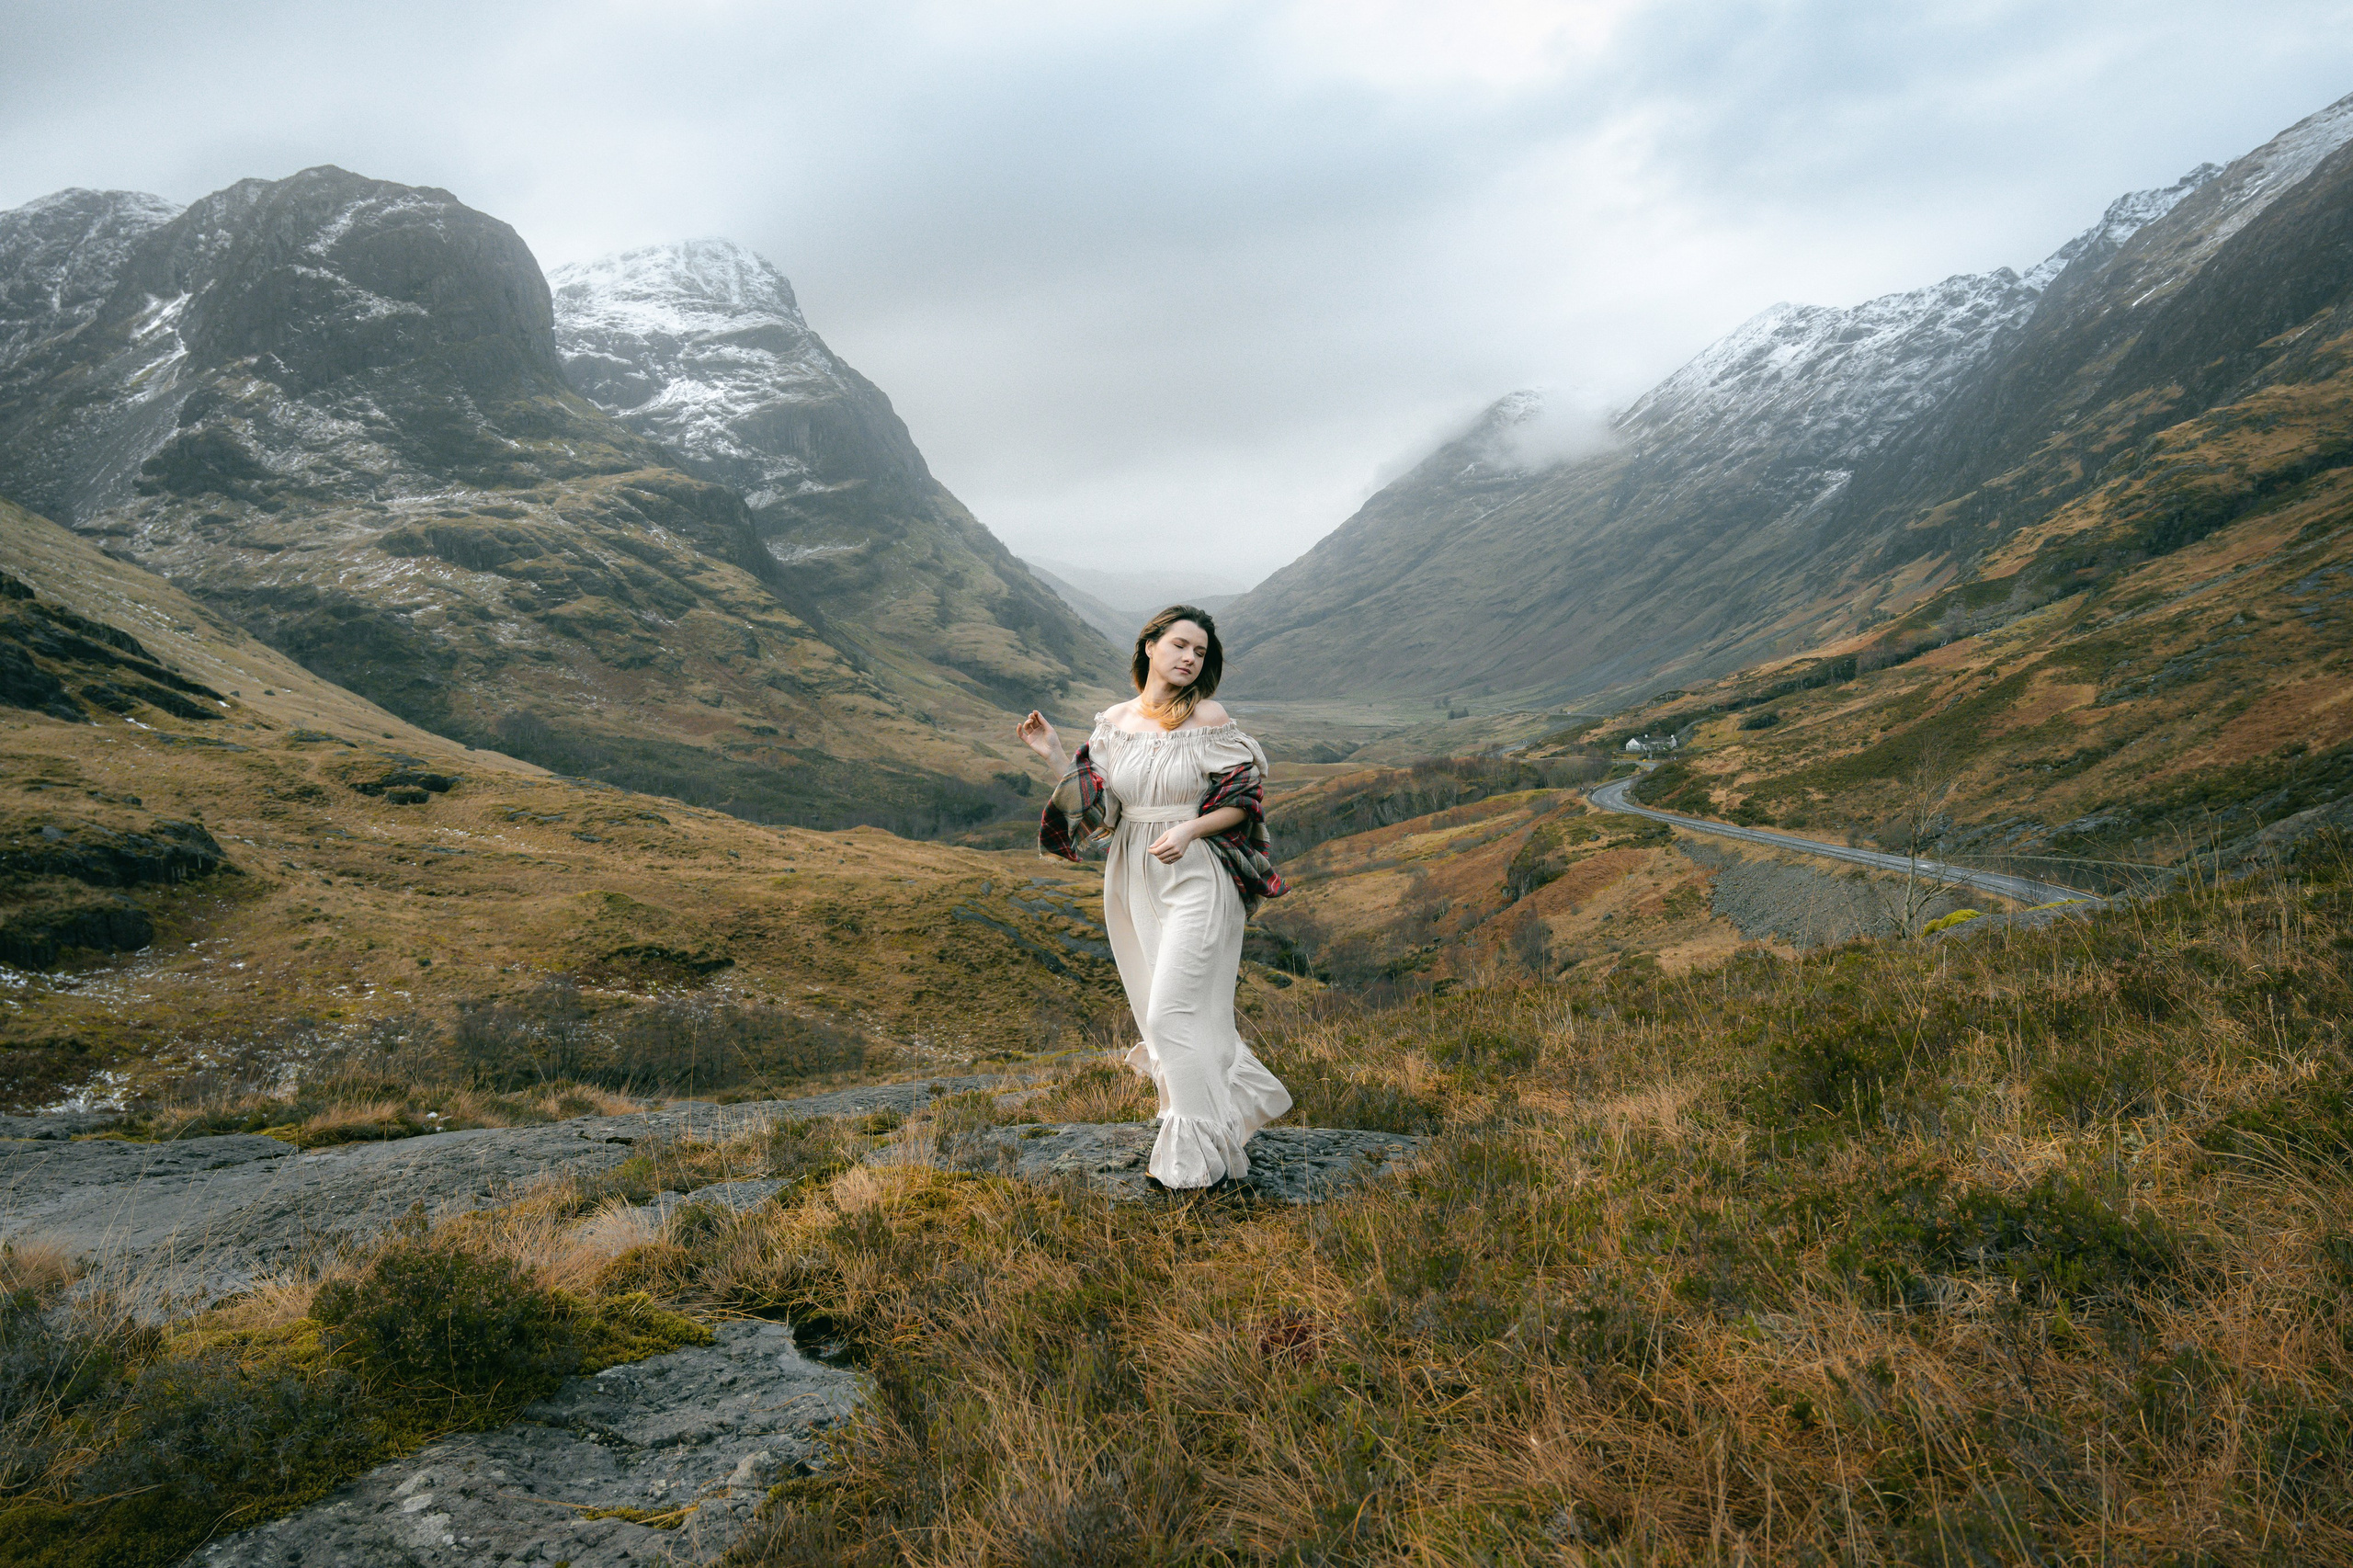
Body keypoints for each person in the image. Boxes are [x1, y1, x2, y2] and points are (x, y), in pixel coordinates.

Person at [1017, 605, 1291, 1188]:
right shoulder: (1114, 723)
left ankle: (1196, 1156)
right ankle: (1211, 1124)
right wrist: (1055, 755)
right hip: (1133, 876)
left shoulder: (1209, 718)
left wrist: (1191, 828)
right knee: (1154, 1009)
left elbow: (1244, 801)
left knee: (1172, 1013)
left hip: (1197, 875)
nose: (1190, 658)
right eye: (1180, 645)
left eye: (1200, 652)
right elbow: (1103, 815)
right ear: (1149, 646)